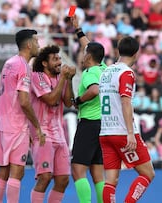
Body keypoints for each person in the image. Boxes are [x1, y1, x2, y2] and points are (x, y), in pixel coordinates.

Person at [0, 29, 45, 203]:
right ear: (29, 45)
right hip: (15, 125)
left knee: (3, 171)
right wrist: (36, 126)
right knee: (17, 172)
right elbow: (23, 101)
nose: (38, 45)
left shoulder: (9, 63)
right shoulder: (23, 66)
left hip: (1, 123)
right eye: (36, 41)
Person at [99, 36, 155, 203]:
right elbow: (125, 101)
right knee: (147, 173)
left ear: (118, 50)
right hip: (122, 131)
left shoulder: (106, 71)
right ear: (136, 54)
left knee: (110, 181)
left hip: (105, 132)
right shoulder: (127, 73)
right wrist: (130, 133)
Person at [30, 45, 76, 202]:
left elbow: (69, 103)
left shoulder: (60, 78)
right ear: (44, 63)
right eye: (55, 59)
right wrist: (63, 78)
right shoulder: (37, 77)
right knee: (45, 177)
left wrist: (68, 79)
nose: (59, 62)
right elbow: (51, 100)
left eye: (60, 59)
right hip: (42, 133)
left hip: (59, 134)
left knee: (63, 180)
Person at [70, 15, 106, 203]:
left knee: (77, 169)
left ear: (89, 57)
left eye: (85, 53)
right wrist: (78, 30)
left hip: (89, 124)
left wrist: (79, 100)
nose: (82, 55)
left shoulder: (89, 72)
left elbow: (94, 90)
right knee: (97, 173)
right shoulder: (104, 68)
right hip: (103, 126)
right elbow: (89, 46)